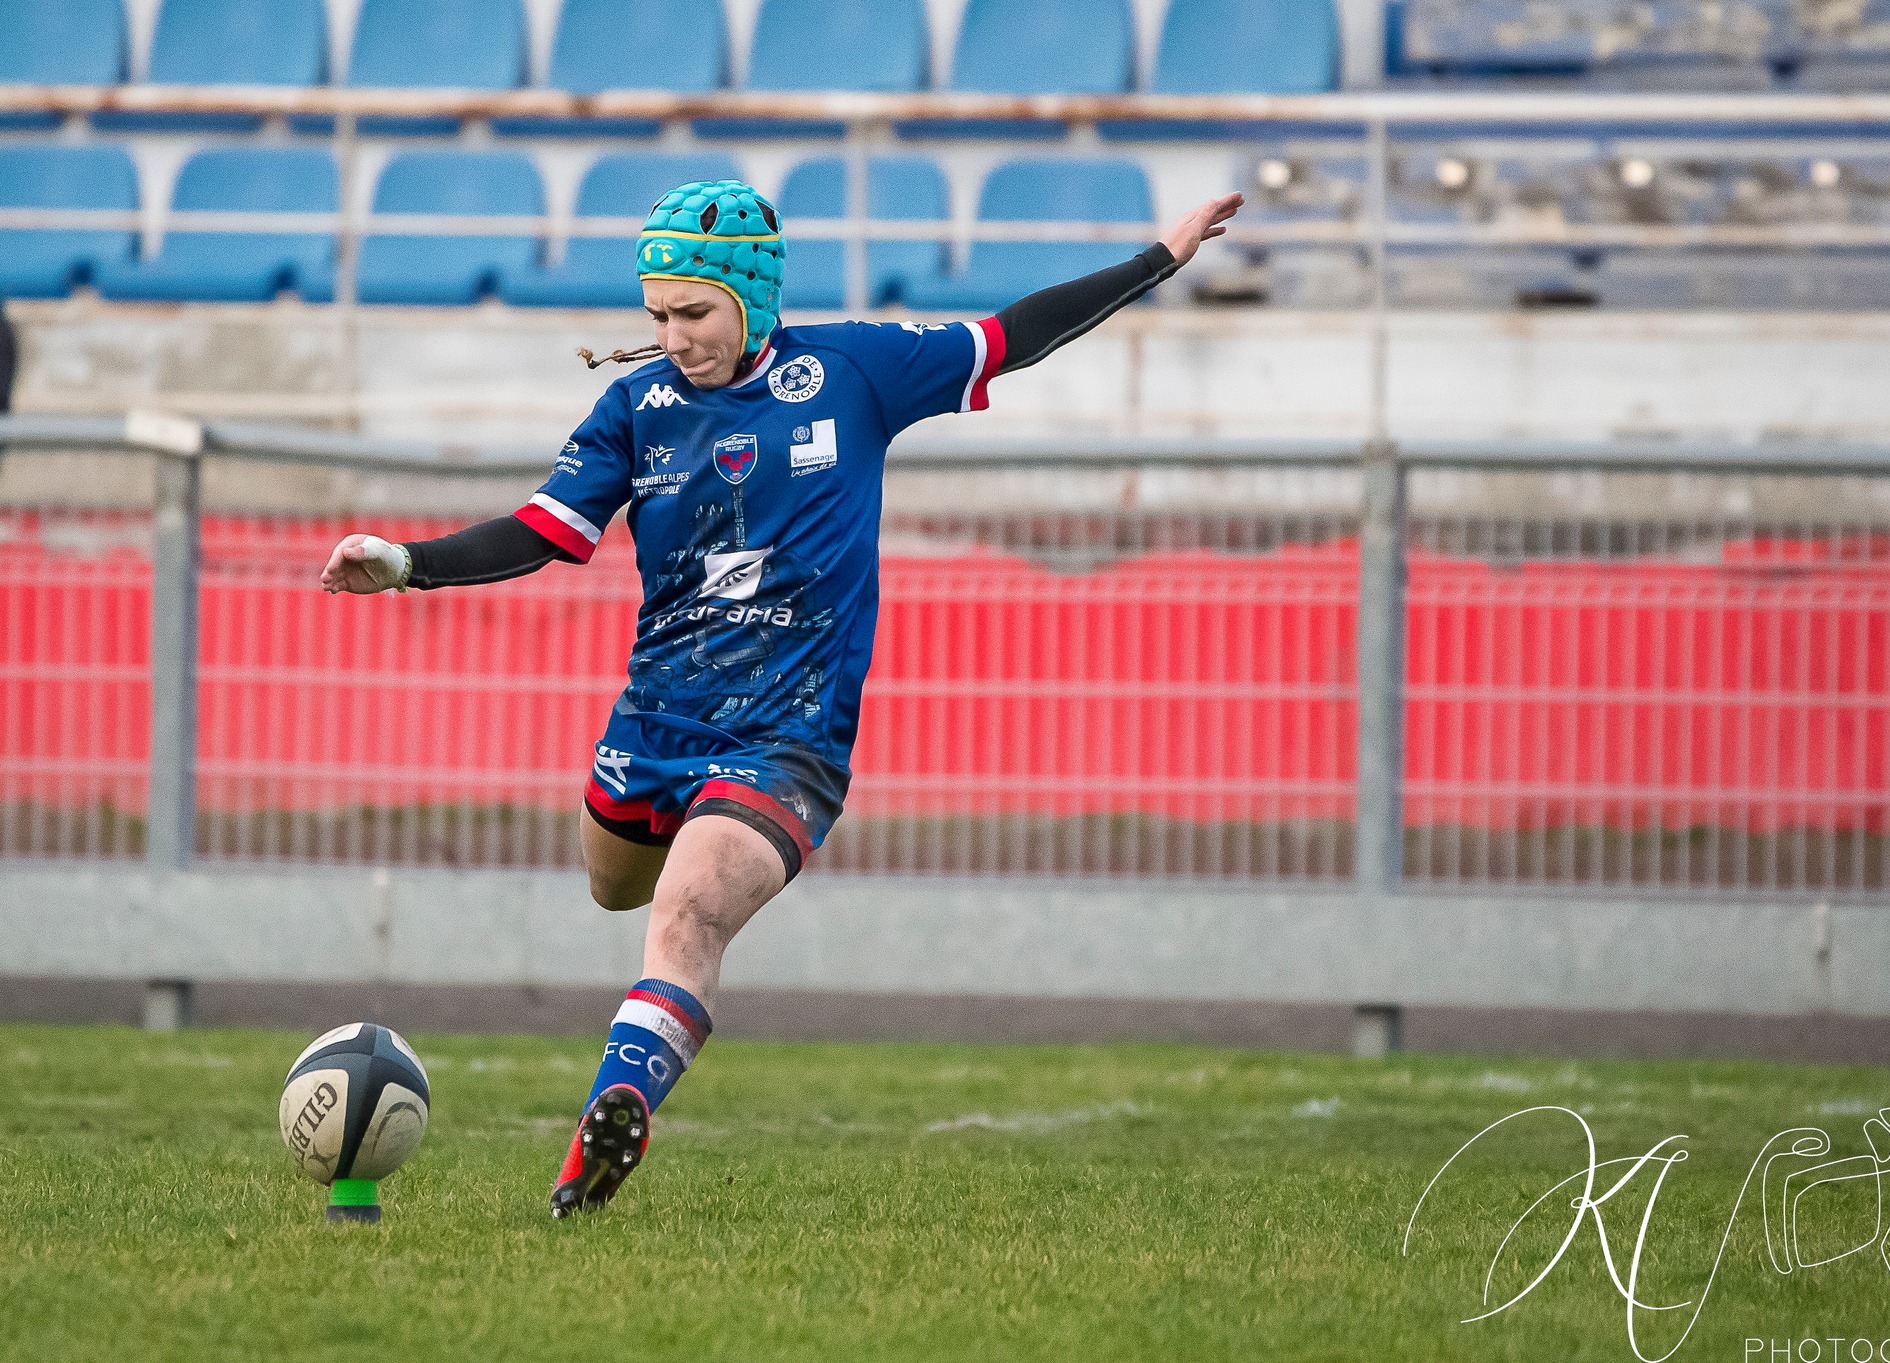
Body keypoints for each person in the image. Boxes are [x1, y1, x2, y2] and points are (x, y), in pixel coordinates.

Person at [320, 177, 1242, 1218]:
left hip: (786, 736)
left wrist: (1156, 260)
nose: (673, 336)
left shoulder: (851, 369)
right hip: (652, 725)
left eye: (695, 313)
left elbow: (1012, 333)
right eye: (658, 315)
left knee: (688, 910)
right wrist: (407, 561)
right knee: (614, 887)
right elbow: (545, 531)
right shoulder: (636, 407)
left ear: (753, 298)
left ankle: (609, 1120)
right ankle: (635, 1030)